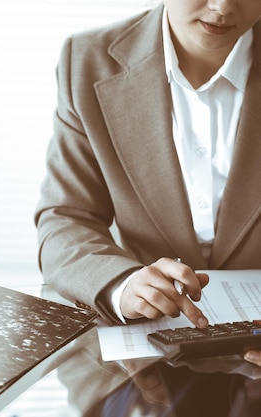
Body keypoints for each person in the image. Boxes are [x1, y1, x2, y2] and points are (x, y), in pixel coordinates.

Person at [34, 0, 261, 367]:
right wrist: (120, 283)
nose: (222, 7)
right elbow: (65, 217)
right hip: (146, 360)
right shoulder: (87, 60)